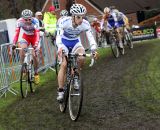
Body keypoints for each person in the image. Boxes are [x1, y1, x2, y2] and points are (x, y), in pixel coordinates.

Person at [56, 4, 98, 102]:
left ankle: (75, 76)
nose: (81, 19)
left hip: (75, 42)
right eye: (78, 17)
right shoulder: (64, 22)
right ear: (73, 16)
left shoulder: (85, 24)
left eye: (82, 17)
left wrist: (94, 50)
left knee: (82, 57)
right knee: (64, 64)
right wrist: (60, 47)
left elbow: (91, 38)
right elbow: (59, 36)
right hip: (64, 43)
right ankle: (61, 91)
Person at [12, 9, 40, 84]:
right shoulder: (19, 22)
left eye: (29, 19)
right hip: (26, 37)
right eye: (26, 19)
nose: (28, 21)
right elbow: (17, 33)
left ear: (32, 17)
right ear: (22, 18)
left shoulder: (35, 21)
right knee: (21, 50)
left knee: (34, 55)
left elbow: (37, 34)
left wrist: (36, 44)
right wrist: (14, 43)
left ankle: (36, 73)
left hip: (34, 37)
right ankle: (24, 69)